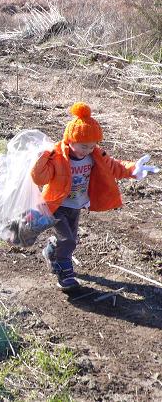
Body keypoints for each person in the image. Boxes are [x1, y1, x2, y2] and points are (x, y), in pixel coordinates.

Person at [31, 102, 158, 291]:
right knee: (68, 241)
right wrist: (41, 158)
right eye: (84, 146)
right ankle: (65, 274)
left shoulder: (95, 155)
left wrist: (133, 169)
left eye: (92, 146)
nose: (88, 150)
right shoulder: (57, 157)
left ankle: (51, 250)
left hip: (76, 205)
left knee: (69, 239)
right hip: (57, 205)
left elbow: (114, 166)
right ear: (70, 140)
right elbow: (39, 177)